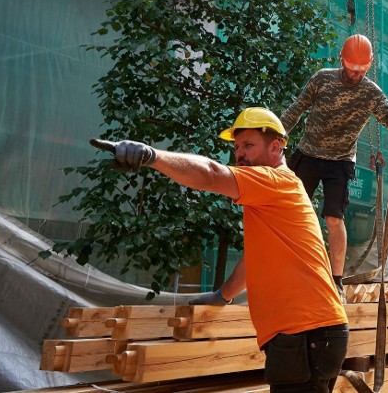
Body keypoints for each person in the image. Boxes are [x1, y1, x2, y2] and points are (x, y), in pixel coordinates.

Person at [95, 107, 349, 393]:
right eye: (237, 146)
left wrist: (151, 156)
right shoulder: (270, 195)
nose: (239, 154)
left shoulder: (276, 181)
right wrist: (223, 296)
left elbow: (212, 174)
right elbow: (255, 258)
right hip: (312, 334)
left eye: (249, 145)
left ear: (276, 147)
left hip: (305, 334)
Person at [195, 35, 388, 304]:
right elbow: (295, 110)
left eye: (361, 69)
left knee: (334, 218)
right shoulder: (322, 79)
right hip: (308, 155)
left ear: (369, 65)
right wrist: (274, 141)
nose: (356, 73)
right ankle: (269, 275)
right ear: (341, 60)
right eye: (351, 67)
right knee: (283, 214)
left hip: (341, 161)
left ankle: (336, 281)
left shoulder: (371, 92)